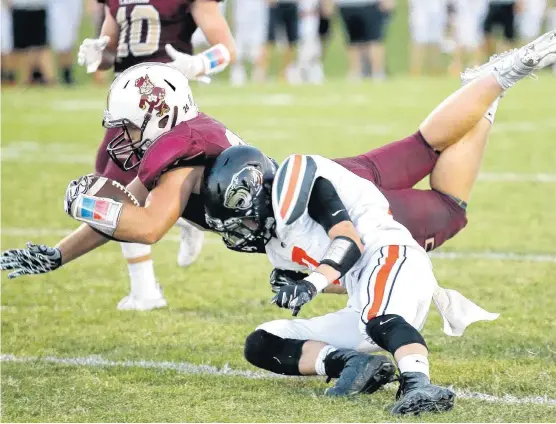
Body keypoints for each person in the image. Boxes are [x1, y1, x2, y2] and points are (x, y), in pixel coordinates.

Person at [1, 32, 555, 292]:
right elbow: (123, 214)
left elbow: (143, 223)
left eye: (127, 125)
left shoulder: (179, 158)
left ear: (158, 116)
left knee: (448, 209)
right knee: (420, 146)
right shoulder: (179, 140)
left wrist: (85, 199)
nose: (120, 138)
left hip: (319, 213)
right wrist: (56, 254)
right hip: (323, 180)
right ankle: (489, 82)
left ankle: (491, 91)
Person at [201, 145, 498, 415]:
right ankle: (351, 364)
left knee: (378, 317)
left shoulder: (302, 184)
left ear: (258, 187)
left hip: (392, 256)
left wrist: (310, 284)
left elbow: (349, 243)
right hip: (365, 293)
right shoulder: (278, 246)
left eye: (244, 216)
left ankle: (418, 383)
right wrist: (298, 283)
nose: (245, 227)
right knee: (263, 342)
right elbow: (342, 278)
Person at [75, 0, 236, 311]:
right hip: (126, 108)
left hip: (162, 109)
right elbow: (112, 52)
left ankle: (145, 290)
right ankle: (183, 214)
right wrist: (100, 54)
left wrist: (199, 64)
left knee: (116, 193)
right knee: (110, 180)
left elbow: (227, 48)